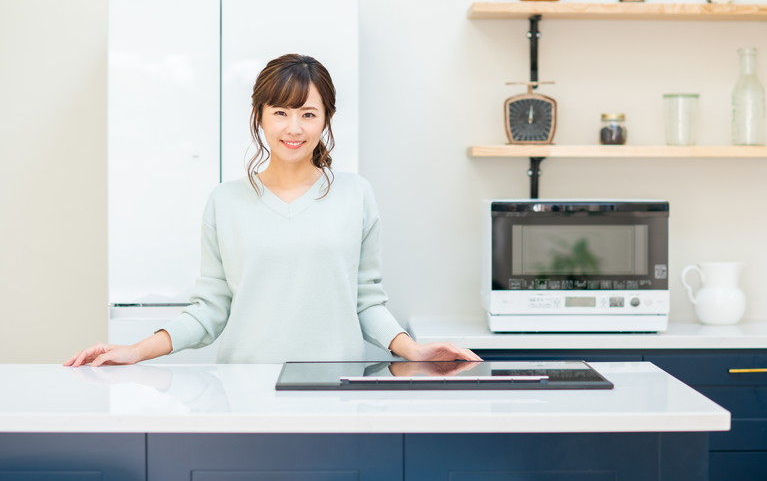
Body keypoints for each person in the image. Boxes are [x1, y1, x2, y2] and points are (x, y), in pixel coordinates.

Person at [65, 53, 480, 367]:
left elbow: (366, 302)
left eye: (308, 114)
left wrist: (415, 350)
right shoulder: (224, 201)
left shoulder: (357, 195)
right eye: (280, 112)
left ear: (326, 120)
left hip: (334, 387)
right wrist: (136, 350)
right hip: (243, 391)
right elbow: (211, 308)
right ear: (259, 116)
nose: (294, 128)